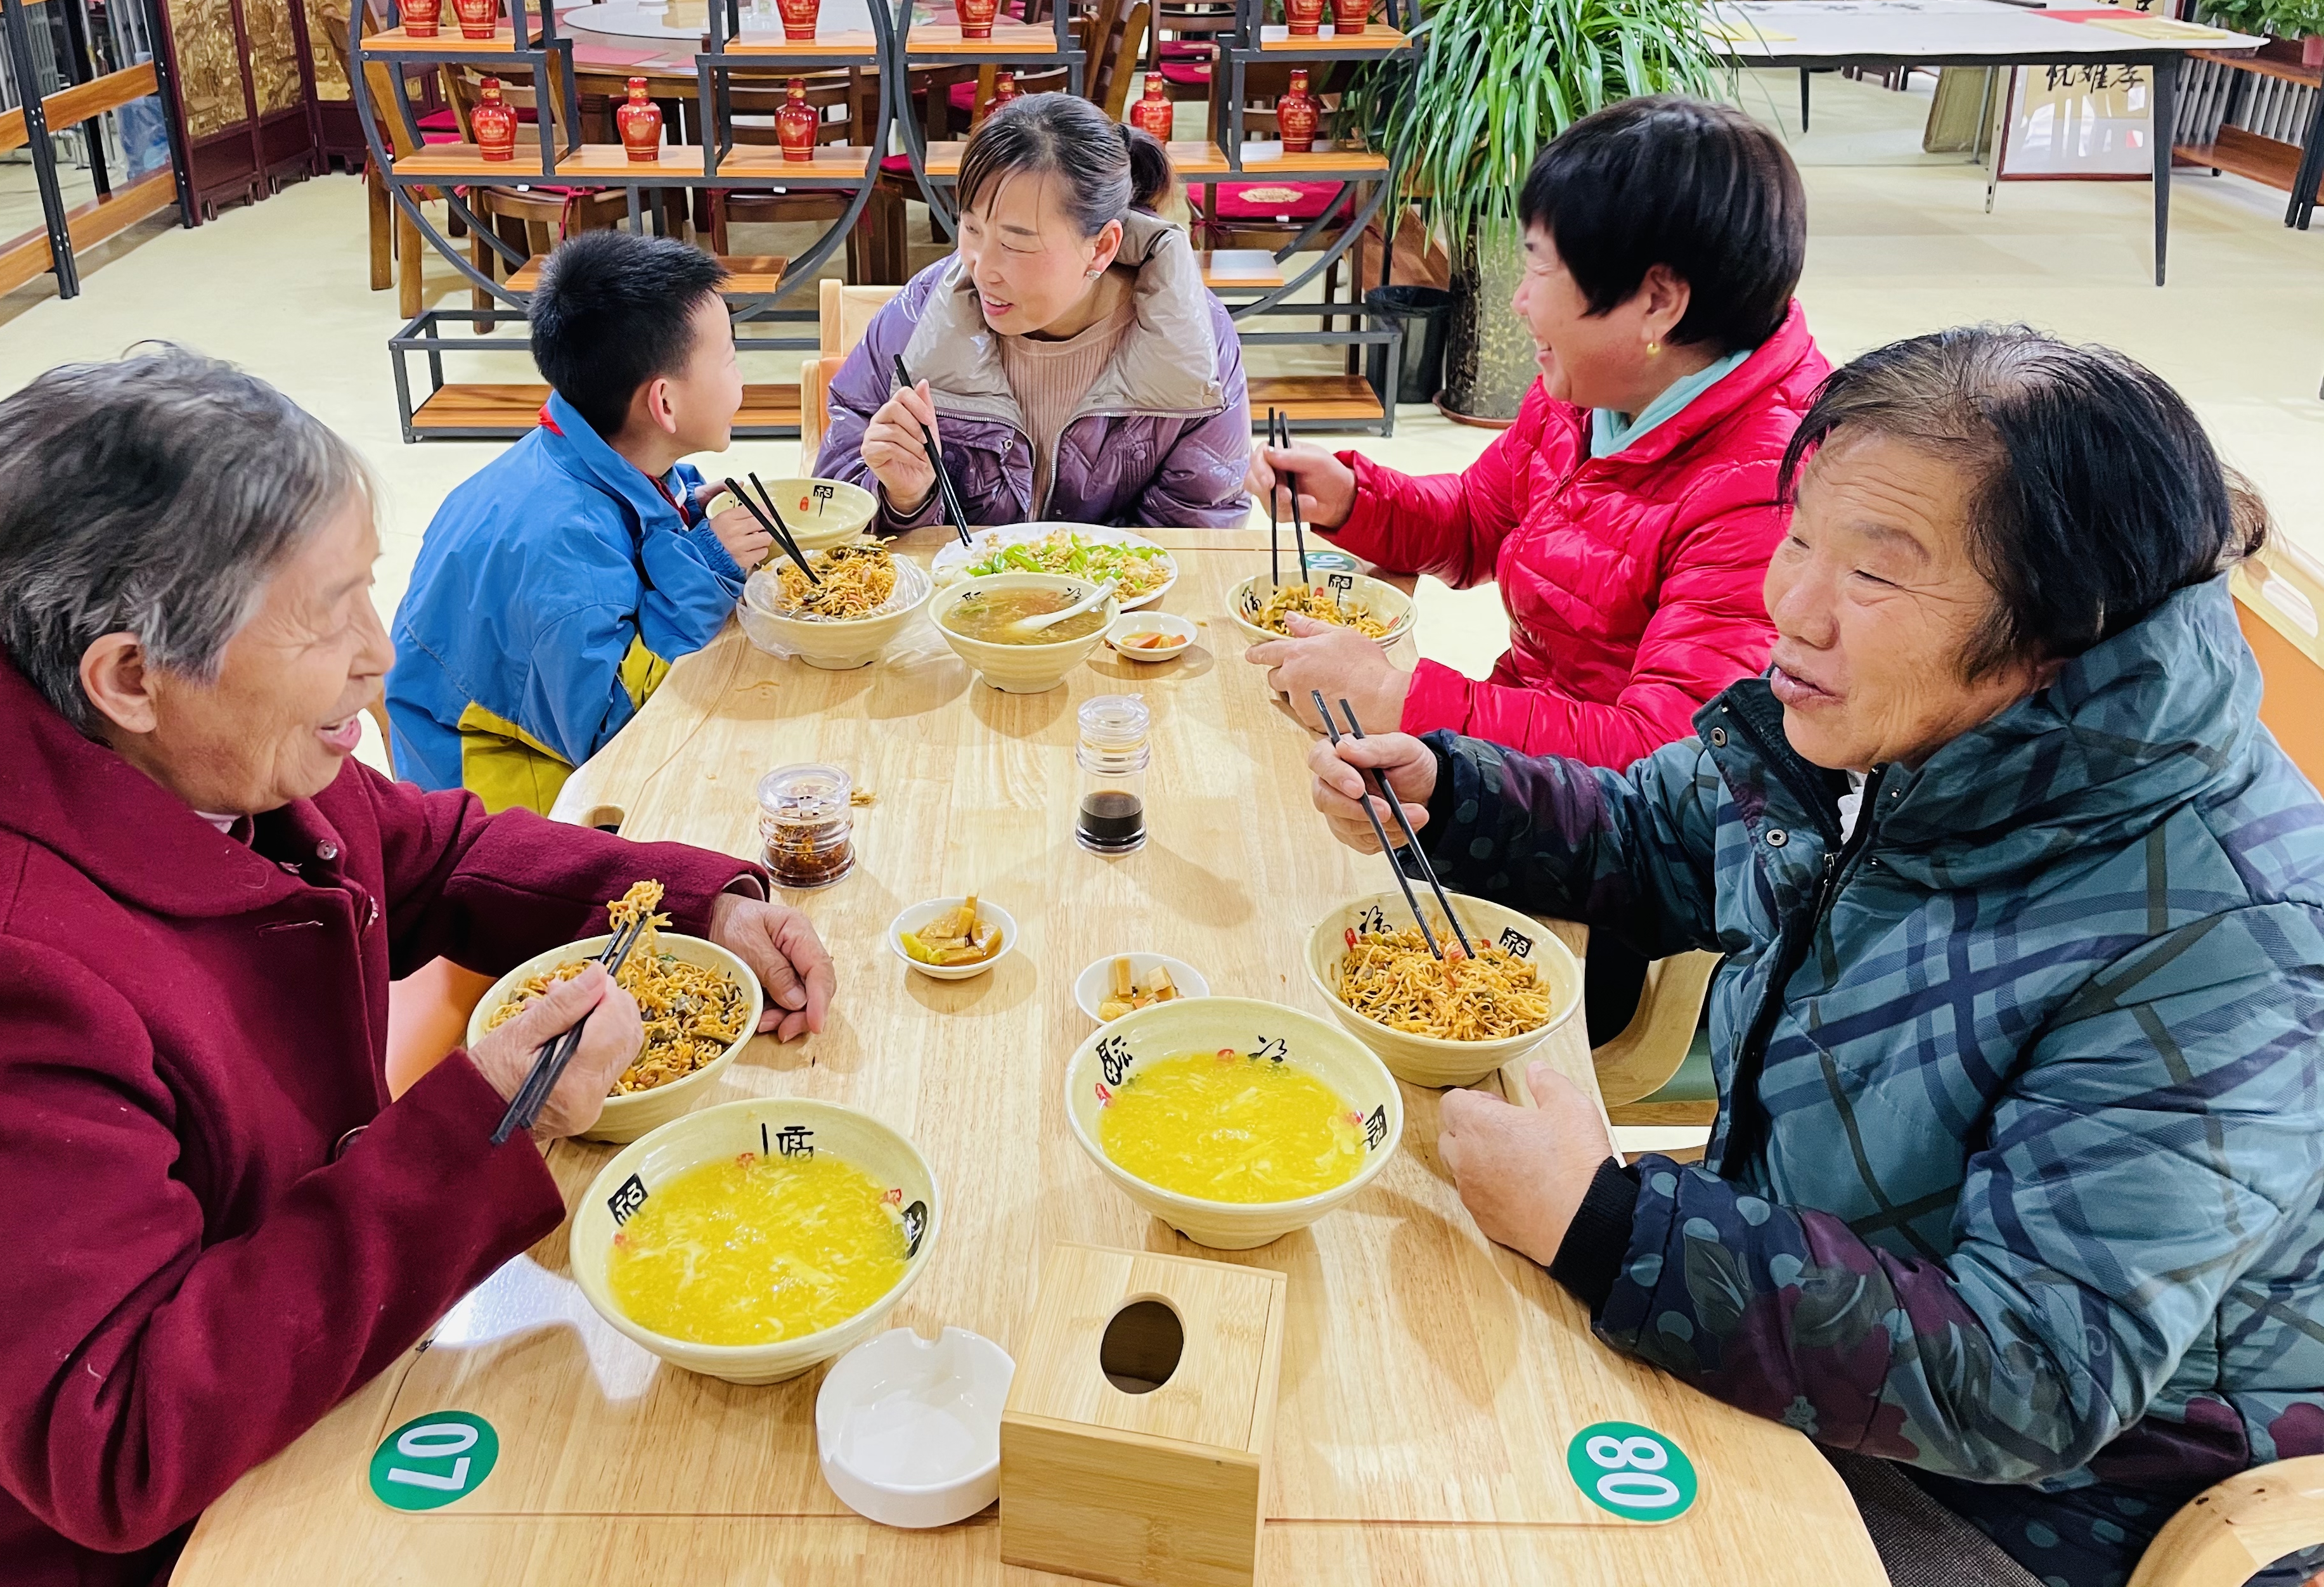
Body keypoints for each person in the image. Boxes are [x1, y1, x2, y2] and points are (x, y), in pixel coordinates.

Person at [0, 349, 836, 1587]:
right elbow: (124, 1440)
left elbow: (425, 850)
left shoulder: (190, 750)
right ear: (129, 675)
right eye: (328, 616)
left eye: (362, 592)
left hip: (278, 1341)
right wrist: (487, 1118)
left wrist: (685, 903)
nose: (380, 659)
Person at [1307, 328, 2324, 1587]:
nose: (1789, 605)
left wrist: (1612, 1227)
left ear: (2055, 638)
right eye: (1799, 540)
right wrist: (1456, 797)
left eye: (1877, 576)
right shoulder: (1889, 727)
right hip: (1794, 1298)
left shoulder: (2232, 941)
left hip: (2038, 1510)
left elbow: (2034, 1376)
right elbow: (1657, 835)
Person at [1248, 94, 1831, 767]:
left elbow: (1668, 762)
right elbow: (1477, 520)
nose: (1520, 300)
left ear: (1658, 303)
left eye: (1541, 266)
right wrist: (1354, 498)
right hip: (1519, 764)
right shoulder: (1595, 389)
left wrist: (1401, 698)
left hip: (1604, 830)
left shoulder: (1768, 490)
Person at [389, 234, 771, 816]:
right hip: (494, 806)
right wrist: (706, 570)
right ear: (664, 404)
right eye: (729, 358)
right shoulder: (565, 545)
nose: (740, 377)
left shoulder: (590, 450)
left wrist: (685, 512)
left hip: (537, 732)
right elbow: (613, 729)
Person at [818, 93, 1250, 531]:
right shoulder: (917, 318)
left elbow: (1197, 530)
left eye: (1016, 244)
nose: (982, 270)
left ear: (1101, 247)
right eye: (971, 229)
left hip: (1121, 600)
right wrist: (905, 500)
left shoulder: (1194, 341)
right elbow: (832, 496)